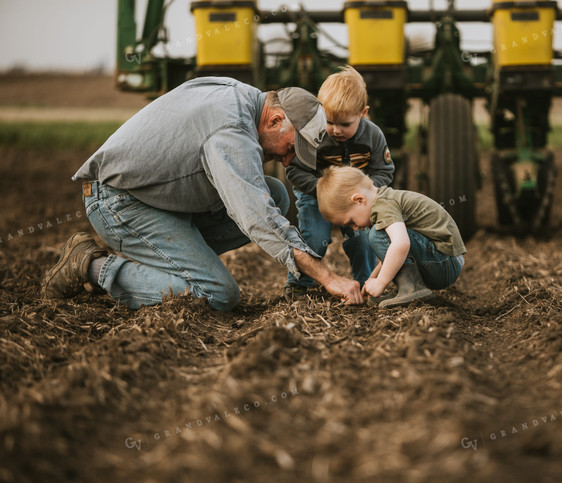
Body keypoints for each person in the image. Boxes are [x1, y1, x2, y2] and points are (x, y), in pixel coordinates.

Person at [41, 76, 364, 310]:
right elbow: (256, 217)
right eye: (292, 147)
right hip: (119, 203)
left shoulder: (237, 92)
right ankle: (90, 267)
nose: (288, 159)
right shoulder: (231, 131)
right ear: (276, 119)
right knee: (218, 294)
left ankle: (168, 264)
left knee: (276, 192)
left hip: (156, 197)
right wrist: (328, 278)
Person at [283, 66, 394, 299]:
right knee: (314, 239)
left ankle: (365, 283)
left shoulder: (373, 136)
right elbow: (295, 171)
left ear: (362, 113)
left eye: (345, 124)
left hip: (357, 201)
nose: (336, 130)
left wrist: (365, 191)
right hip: (316, 196)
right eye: (330, 121)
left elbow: (384, 171)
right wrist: (323, 189)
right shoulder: (313, 136)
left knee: (363, 239)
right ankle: (298, 284)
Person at [316, 166, 466, 308]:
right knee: (378, 234)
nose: (355, 228)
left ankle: (412, 288)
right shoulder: (385, 200)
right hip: (444, 261)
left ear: (359, 200)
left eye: (351, 221)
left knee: (376, 233)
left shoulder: (383, 206)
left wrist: (381, 282)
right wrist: (372, 279)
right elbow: (392, 255)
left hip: (444, 263)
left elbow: (401, 245)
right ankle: (406, 287)